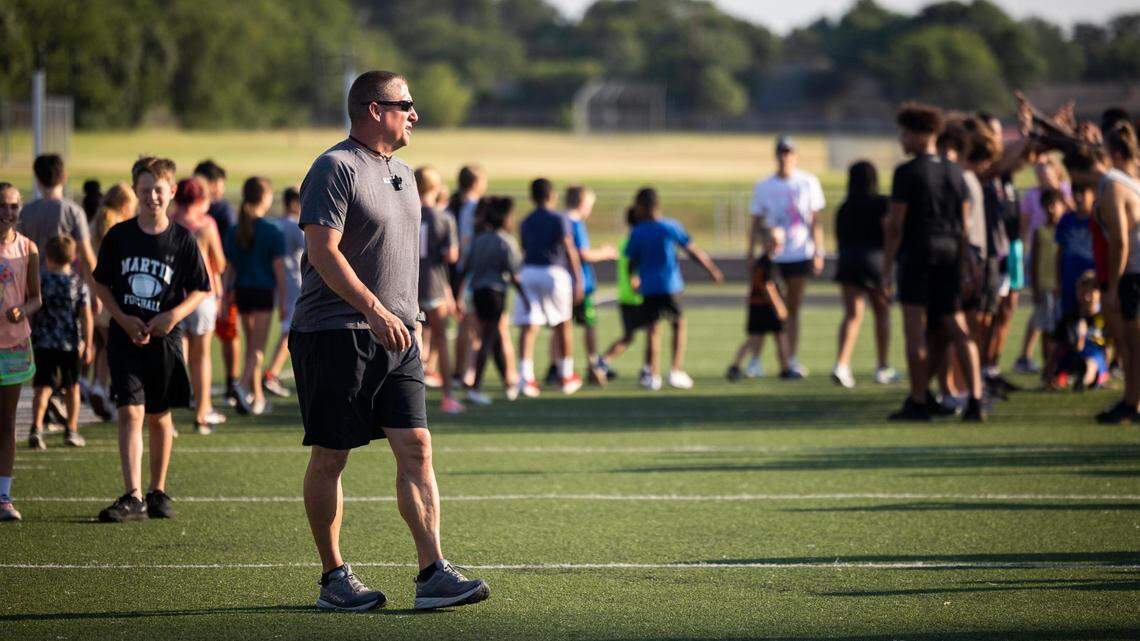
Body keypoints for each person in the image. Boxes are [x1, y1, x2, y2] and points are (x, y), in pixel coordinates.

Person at [290, 70, 489, 611]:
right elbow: (322, 252)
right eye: (406, 104)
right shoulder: (334, 167)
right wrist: (373, 310)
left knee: (417, 448)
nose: (414, 114)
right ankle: (333, 578)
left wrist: (403, 316)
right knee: (332, 456)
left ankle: (432, 573)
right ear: (375, 110)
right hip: (335, 333)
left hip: (400, 335)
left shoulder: (402, 172)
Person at [90, 156, 211, 523]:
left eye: (158, 190)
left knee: (159, 416)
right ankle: (133, 495)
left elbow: (202, 288)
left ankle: (157, 490)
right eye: (144, 191)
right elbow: (100, 282)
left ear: (171, 192)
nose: (152, 197)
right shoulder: (120, 236)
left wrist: (172, 316)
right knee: (130, 411)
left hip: (165, 341)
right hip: (126, 338)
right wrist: (122, 318)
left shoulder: (181, 239)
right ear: (135, 192)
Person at [882, 102, 984, 422]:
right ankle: (976, 399)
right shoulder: (956, 172)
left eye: (904, 133)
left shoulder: (907, 172)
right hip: (951, 252)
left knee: (916, 329)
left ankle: (918, 401)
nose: (901, 140)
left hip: (918, 253)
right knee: (956, 324)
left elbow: (897, 225)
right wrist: (968, 263)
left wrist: (886, 268)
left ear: (919, 134)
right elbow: (965, 224)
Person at [626, 187, 723, 390]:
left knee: (653, 329)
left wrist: (632, 279)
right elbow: (692, 250)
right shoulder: (670, 226)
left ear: (644, 206)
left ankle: (653, 376)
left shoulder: (638, 232)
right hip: (671, 285)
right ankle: (675, 371)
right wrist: (711, 269)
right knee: (678, 325)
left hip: (649, 286)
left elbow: (631, 262)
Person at [747, 136, 825, 378]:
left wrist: (819, 251)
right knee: (765, 309)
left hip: (799, 252)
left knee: (792, 308)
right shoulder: (764, 186)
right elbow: (756, 221)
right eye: (782, 152)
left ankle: (790, 358)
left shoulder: (807, 182)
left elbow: (815, 221)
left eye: (789, 152)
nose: (785, 157)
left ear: (796, 156)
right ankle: (756, 360)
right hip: (773, 255)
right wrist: (751, 252)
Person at [512, 178, 585, 397]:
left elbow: (524, 248)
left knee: (528, 326)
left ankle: (526, 377)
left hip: (528, 272)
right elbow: (569, 248)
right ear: (552, 195)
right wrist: (578, 278)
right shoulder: (559, 217)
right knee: (563, 324)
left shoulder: (525, 221)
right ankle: (566, 375)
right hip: (554, 273)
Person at [831, 160, 896, 388]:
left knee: (852, 315)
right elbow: (889, 232)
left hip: (848, 261)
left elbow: (839, 238)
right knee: (882, 313)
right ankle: (882, 365)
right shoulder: (881, 204)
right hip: (874, 261)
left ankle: (842, 363)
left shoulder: (844, 207)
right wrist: (889, 265)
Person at [223, 176, 285, 416]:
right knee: (257, 349)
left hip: (242, 293)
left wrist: (226, 293)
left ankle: (256, 396)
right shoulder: (272, 230)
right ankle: (240, 386)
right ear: (265, 197)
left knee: (251, 347)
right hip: (263, 293)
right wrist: (284, 300)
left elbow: (230, 268)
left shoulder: (234, 229)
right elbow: (279, 270)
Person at [170, 178, 227, 434]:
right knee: (201, 357)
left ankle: (166, 417)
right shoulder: (206, 225)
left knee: (174, 358)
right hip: (202, 297)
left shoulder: (168, 223)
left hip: (173, 298)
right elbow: (220, 263)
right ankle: (202, 412)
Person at [459, 196, 527, 405]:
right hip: (495, 293)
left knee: (494, 338)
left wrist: (457, 294)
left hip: (478, 292)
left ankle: (508, 384)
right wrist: (525, 296)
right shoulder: (506, 240)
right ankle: (475, 387)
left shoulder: (478, 240)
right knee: (488, 339)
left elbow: (465, 269)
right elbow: (513, 273)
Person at [0, 182, 41, 522]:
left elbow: (36, 297)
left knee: (8, 422)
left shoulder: (28, 248)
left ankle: (4, 496)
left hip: (14, 345)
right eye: (2, 205)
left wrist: (23, 311)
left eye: (13, 206)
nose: (7, 212)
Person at [28, 236, 91, 449]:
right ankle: (71, 429)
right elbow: (85, 315)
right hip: (70, 343)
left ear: (48, 257)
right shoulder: (77, 282)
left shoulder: (42, 280)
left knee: (42, 386)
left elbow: (33, 309)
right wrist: (88, 343)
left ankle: (36, 427)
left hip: (44, 341)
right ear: (73, 257)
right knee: (73, 386)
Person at [1016, 155, 1072, 373]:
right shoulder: (1031, 195)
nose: (1041, 177)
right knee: (1041, 315)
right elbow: (1024, 226)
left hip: (1062, 256)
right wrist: (1021, 254)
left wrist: (1057, 190)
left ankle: (1062, 361)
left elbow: (1073, 209)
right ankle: (1028, 357)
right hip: (1040, 258)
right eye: (1038, 173)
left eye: (1045, 173)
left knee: (1059, 316)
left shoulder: (1065, 190)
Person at [415, 165, 463, 415]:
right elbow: (451, 255)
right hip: (433, 284)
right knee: (441, 340)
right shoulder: (443, 217)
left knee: (410, 341)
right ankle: (447, 396)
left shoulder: (406, 211)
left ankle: (406, 398)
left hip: (408, 284)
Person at [87, 183, 137, 421]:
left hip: (91, 294)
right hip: (111, 296)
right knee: (115, 349)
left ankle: (98, 385)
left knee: (102, 345)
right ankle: (108, 391)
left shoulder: (94, 222)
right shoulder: (120, 227)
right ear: (126, 204)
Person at [194, 160, 241, 407]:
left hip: (209, 283)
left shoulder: (218, 210)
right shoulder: (218, 210)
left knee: (225, 333)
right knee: (218, 336)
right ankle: (223, 387)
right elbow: (228, 252)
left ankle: (231, 382)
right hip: (214, 281)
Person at [557, 185, 615, 385]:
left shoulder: (558, 220)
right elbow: (583, 253)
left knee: (561, 325)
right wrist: (605, 253)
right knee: (588, 324)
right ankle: (592, 365)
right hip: (581, 283)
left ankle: (557, 366)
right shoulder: (575, 223)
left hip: (561, 282)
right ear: (582, 204)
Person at [19, 154, 98, 287]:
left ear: (37, 180)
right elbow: (87, 256)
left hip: (34, 286)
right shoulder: (73, 211)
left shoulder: (26, 212)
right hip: (67, 286)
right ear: (64, 177)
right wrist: (96, 293)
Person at [726, 227, 788, 381]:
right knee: (778, 335)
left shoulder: (766, 261)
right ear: (766, 243)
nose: (778, 245)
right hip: (764, 305)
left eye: (780, 242)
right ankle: (785, 368)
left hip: (758, 304)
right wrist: (778, 306)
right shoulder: (766, 261)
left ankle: (736, 366)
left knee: (755, 337)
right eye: (774, 242)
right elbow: (767, 286)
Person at [599, 207, 649, 380]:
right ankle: (648, 370)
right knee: (652, 332)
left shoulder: (623, 242)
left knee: (628, 336)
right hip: (638, 296)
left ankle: (603, 362)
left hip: (625, 297)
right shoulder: (639, 242)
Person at [263, 186, 305, 398]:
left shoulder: (277, 225)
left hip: (279, 283)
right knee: (288, 330)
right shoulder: (297, 227)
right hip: (293, 283)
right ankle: (272, 373)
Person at [1028, 188, 1064, 384]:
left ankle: (1059, 370)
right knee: (1046, 330)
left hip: (1060, 288)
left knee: (1060, 330)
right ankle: (1047, 370)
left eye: (1054, 205)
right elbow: (1034, 261)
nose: (1051, 209)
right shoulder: (1040, 231)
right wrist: (1034, 287)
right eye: (1047, 206)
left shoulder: (1065, 229)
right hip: (1044, 287)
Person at [1051, 271, 1110, 390]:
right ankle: (1065, 378)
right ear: (1077, 293)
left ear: (1099, 293)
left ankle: (1083, 380)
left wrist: (1107, 368)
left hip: (1095, 358)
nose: (1087, 297)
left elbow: (1110, 346)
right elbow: (1058, 346)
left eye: (1090, 292)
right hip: (1073, 355)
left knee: (1091, 363)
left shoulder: (1105, 317)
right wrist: (1049, 369)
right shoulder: (1071, 317)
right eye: (1083, 293)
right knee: (1065, 365)